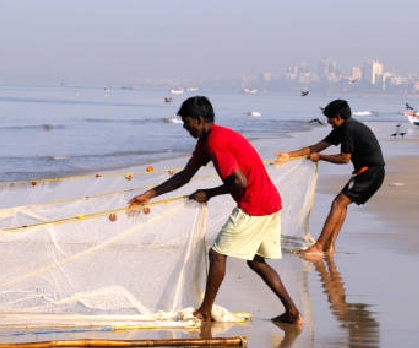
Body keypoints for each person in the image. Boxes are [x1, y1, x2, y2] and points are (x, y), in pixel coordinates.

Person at [128, 96, 301, 324]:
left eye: (187, 122)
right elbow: (185, 175)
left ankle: (205, 311)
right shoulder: (207, 140)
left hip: (254, 206)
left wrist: (208, 193)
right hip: (270, 202)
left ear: (199, 120)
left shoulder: (216, 142)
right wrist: (150, 194)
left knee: (217, 254)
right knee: (256, 261)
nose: (185, 127)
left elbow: (239, 182)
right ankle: (292, 312)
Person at [276, 99, 385, 257]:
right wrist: (289, 155)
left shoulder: (348, 129)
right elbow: (317, 146)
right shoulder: (344, 128)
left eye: (330, 118)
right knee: (341, 204)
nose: (328, 122)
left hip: (369, 173)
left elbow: (345, 158)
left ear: (339, 117)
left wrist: (320, 158)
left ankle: (319, 246)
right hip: (369, 172)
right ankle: (329, 245)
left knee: (338, 204)